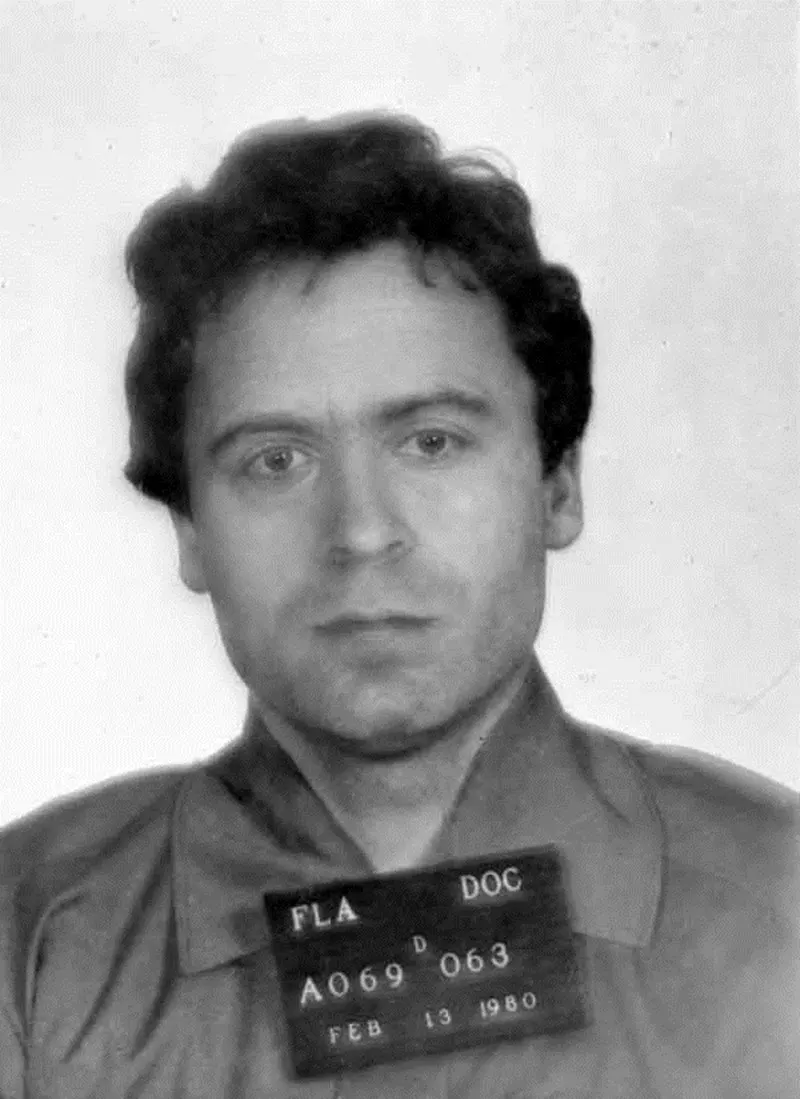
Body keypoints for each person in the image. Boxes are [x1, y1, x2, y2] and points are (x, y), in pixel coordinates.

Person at [0, 112, 797, 1099]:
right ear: (190, 529)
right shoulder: (27, 944)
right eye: (276, 460)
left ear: (556, 483)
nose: (362, 530)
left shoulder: (780, 905)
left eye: (430, 441)